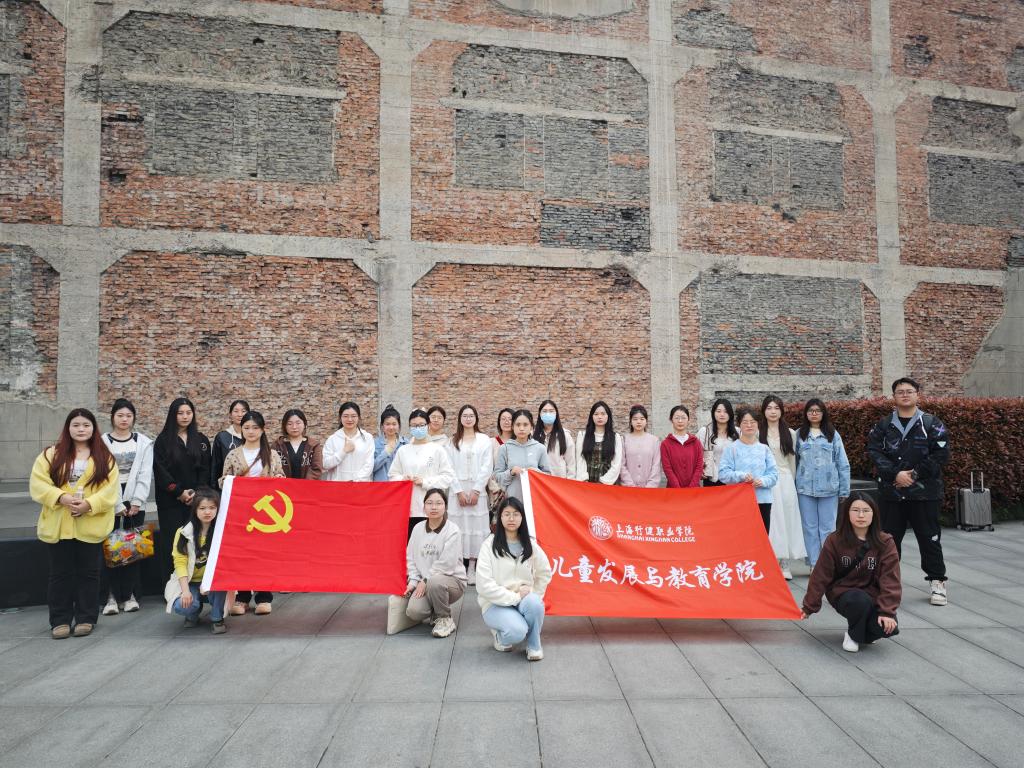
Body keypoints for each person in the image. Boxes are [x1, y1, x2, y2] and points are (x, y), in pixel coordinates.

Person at [30, 408, 120, 639]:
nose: (81, 429)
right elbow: (38, 483)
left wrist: (89, 504)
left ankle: (86, 617)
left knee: (89, 573)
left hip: (89, 524)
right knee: (60, 573)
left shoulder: (104, 457)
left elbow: (111, 489)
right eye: (76, 425)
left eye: (86, 425)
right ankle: (60, 620)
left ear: (93, 428)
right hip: (59, 524)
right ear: (68, 428)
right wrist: (60, 497)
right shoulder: (50, 454)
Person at [867, 377, 950, 606]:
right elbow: (874, 451)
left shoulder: (932, 423)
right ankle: (886, 585)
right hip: (892, 493)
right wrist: (895, 474)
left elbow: (941, 454)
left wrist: (913, 475)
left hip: (925, 493)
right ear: (894, 396)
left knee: (929, 538)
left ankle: (937, 583)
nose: (905, 394)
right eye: (900, 391)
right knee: (888, 541)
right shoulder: (884, 425)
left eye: (909, 391)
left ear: (917, 395)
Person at [801, 493, 901, 653]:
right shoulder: (835, 540)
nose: (861, 515)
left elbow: (891, 579)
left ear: (874, 514)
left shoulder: (885, 542)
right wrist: (809, 606)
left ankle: (862, 634)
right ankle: (854, 636)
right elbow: (820, 575)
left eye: (866, 511)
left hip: (872, 595)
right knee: (859, 601)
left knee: (888, 628)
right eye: (855, 510)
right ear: (847, 513)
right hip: (843, 593)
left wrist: (887, 611)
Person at [219, 410, 285, 616]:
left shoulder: (271, 454)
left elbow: (280, 476)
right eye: (246, 427)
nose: (250, 431)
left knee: (264, 554)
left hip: (265, 513)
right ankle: (243, 596)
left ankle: (264, 596)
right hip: (241, 512)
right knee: (242, 554)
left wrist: (278, 480)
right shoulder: (233, 454)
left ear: (263, 430)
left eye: (255, 427)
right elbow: (222, 480)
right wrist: (232, 482)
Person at [476, 497, 552, 661]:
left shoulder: (530, 544)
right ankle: (500, 636)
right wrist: (515, 597)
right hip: (495, 603)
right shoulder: (489, 545)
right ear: (500, 517)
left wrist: (535, 594)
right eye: (507, 514)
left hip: (523, 599)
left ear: (522, 517)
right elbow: (483, 585)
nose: (511, 518)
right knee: (517, 632)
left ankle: (534, 645)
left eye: (516, 514)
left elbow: (545, 572)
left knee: (535, 603)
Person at [100, 399, 153, 616]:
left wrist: (137, 501)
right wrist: (117, 503)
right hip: (109, 499)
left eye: (128, 416)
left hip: (135, 500)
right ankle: (111, 597)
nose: (124, 419)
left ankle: (130, 595)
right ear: (113, 417)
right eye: (120, 415)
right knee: (110, 549)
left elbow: (145, 473)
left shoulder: (143, 442)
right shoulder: (102, 442)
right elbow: (101, 475)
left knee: (133, 549)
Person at [153, 398, 211, 582]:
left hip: (196, 502)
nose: (185, 416)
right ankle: (173, 586)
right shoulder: (163, 441)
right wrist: (178, 492)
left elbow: (205, 469)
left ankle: (196, 584)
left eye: (188, 412)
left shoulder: (201, 440)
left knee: (196, 541)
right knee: (173, 543)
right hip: (170, 502)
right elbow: (161, 471)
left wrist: (197, 493)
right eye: (180, 413)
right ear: (173, 415)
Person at [164, 487, 229, 634]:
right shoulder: (183, 532)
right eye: (202, 508)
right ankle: (193, 611)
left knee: (221, 584)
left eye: (212, 508)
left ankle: (217, 618)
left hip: (213, 582)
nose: (207, 512)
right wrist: (185, 591)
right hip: (190, 581)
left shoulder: (222, 532)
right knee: (183, 606)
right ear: (195, 510)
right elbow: (180, 563)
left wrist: (209, 582)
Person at [794, 399, 851, 567]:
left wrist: (844, 489)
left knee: (828, 528)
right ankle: (814, 563)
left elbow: (842, 462)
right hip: (805, 488)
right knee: (809, 527)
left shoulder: (833, 434)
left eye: (817, 411)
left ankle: (827, 564)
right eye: (810, 410)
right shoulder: (799, 434)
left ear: (823, 413)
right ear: (806, 413)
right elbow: (793, 461)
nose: (814, 413)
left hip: (829, 489)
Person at [404, 489, 467, 638]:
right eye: (429, 503)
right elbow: (410, 558)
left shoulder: (452, 530)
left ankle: (445, 619)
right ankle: (437, 609)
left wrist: (426, 580)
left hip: (452, 581)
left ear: (445, 507)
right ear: (424, 506)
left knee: (435, 582)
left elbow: (447, 564)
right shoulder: (417, 529)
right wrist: (413, 581)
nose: (434, 507)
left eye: (439, 503)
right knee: (414, 611)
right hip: (425, 582)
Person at [389, 408, 456, 536]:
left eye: (421, 425)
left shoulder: (437, 450)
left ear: (428, 425)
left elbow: (447, 477)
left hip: (431, 507)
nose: (418, 428)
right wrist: (403, 479)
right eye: (414, 425)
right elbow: (392, 475)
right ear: (409, 427)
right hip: (408, 507)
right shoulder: (403, 450)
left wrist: (425, 482)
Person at [760, 395, 806, 580]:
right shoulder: (758, 432)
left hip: (785, 480)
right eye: (769, 408)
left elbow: (792, 461)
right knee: (771, 522)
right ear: (764, 411)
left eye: (776, 408)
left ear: (781, 411)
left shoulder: (790, 433)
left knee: (786, 520)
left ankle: (785, 563)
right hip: (765, 481)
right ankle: (768, 561)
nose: (773, 412)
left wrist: (791, 483)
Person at [445, 405, 492, 585]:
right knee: (458, 528)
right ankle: (458, 566)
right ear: (460, 419)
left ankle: (472, 567)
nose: (468, 418)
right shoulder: (452, 441)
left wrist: (477, 490)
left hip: (477, 490)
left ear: (476, 418)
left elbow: (487, 466)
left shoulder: (484, 440)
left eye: (471, 415)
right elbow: (448, 467)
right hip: (457, 490)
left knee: (475, 528)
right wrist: (458, 491)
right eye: (464, 415)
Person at [719, 407, 778, 533]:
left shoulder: (764, 449)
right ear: (739, 425)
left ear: (758, 424)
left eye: (753, 422)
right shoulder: (731, 449)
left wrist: (762, 481)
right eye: (745, 422)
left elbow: (774, 475)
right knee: (740, 536)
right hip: (738, 500)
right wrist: (741, 476)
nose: (749, 425)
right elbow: (723, 474)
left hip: (762, 500)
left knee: (761, 536)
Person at [495, 409, 550, 501]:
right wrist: (511, 472)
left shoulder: (540, 448)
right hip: (512, 501)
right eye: (518, 425)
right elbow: (497, 477)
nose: (521, 428)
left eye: (525, 425)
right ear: (512, 426)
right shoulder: (504, 448)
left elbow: (548, 476)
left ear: (531, 427)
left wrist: (536, 472)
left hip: (535, 500)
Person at [322, 402, 375, 482]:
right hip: (338, 485)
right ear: (340, 418)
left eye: (353, 416)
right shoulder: (332, 439)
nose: (350, 419)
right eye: (345, 416)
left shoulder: (367, 438)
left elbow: (369, 464)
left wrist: (355, 481)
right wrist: (343, 451)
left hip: (361, 485)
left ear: (359, 417)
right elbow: (326, 464)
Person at [575, 401, 623, 484]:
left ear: (608, 416)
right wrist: (584, 479)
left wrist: (603, 482)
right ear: (592, 417)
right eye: (596, 414)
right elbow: (580, 459)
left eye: (603, 414)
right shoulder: (582, 436)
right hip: (586, 484)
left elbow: (616, 464)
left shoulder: (616, 437)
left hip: (608, 484)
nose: (599, 417)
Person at [272, 408, 323, 480]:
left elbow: (316, 469)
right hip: (282, 485)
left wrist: (303, 484)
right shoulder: (277, 445)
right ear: (284, 426)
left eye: (298, 423)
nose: (294, 427)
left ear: (305, 424)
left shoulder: (313, 446)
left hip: (307, 485)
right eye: (290, 424)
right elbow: (272, 467)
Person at [696, 398, 738, 486]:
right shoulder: (705, 431)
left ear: (730, 414)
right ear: (713, 413)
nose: (722, 414)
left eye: (726, 411)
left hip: (732, 480)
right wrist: (700, 470)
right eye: (718, 411)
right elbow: (695, 454)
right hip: (712, 479)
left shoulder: (738, 432)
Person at [660, 405, 703, 488]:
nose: (680, 421)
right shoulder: (665, 444)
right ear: (671, 420)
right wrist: (678, 489)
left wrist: (691, 488)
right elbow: (667, 469)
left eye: (683, 418)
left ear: (688, 420)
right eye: (676, 418)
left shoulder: (695, 442)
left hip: (694, 490)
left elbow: (699, 467)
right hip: (674, 491)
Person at [620, 405, 662, 487]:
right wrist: (630, 485)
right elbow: (622, 465)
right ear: (630, 421)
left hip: (649, 489)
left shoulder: (654, 440)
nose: (638, 422)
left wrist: (650, 486)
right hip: (628, 488)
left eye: (642, 419)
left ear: (646, 421)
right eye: (635, 419)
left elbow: (656, 466)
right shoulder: (624, 440)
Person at [210, 399, 249, 487]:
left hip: (251, 484)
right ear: (230, 415)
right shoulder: (222, 437)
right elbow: (215, 466)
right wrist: (214, 488)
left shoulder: (254, 437)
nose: (240, 414)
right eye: (236, 411)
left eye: (243, 411)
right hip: (229, 486)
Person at [533, 400, 576, 480]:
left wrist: (570, 481)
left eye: (551, 411)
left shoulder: (565, 435)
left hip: (560, 480)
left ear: (556, 413)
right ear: (540, 414)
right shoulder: (533, 435)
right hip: (539, 480)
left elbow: (571, 462)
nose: (548, 414)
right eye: (544, 411)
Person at [487, 408, 515, 514]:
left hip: (515, 490)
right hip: (496, 492)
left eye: (510, 419)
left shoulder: (519, 443)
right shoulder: (491, 443)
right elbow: (488, 469)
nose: (506, 422)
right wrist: (496, 489)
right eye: (503, 419)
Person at [373, 404, 408, 482]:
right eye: (387, 424)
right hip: (381, 486)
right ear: (382, 426)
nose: (391, 427)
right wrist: (386, 452)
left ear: (399, 425)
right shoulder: (375, 443)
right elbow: (372, 468)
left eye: (394, 424)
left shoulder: (405, 443)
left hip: (400, 485)